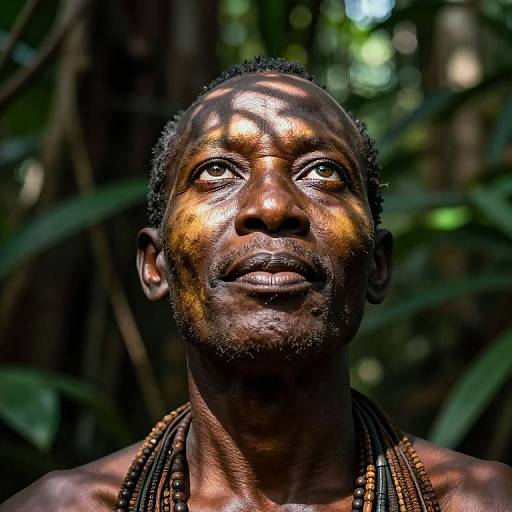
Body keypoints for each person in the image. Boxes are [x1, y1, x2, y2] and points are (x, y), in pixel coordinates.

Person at [1, 57, 511, 512]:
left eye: (323, 172)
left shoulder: (484, 502)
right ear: (155, 265)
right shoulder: (60, 508)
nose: (271, 206)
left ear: (376, 265)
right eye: (217, 171)